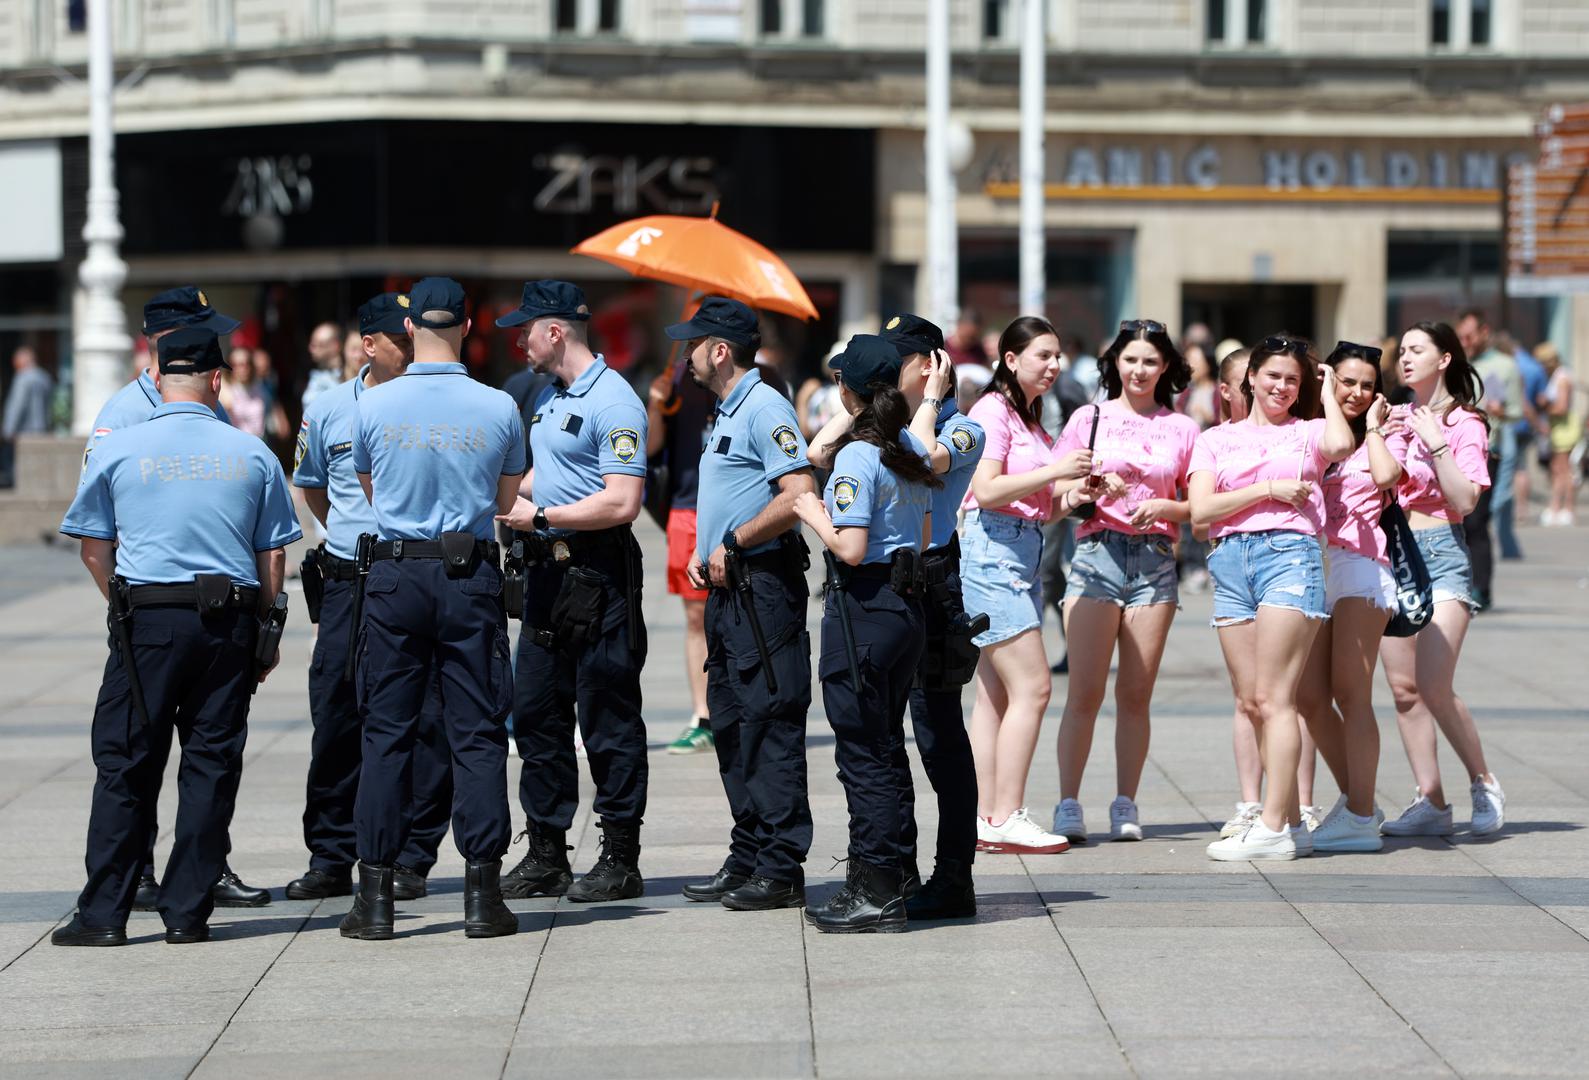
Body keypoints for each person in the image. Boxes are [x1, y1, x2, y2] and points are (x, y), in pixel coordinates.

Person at [53, 327, 301, 946]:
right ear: (218, 380)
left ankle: (104, 915)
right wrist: (264, 637)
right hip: (229, 622)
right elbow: (273, 558)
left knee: (126, 764)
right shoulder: (253, 454)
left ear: (157, 377)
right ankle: (188, 912)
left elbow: (92, 550)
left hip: (149, 620)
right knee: (211, 765)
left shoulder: (119, 449)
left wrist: (125, 610)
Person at [342, 277, 523, 941]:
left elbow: (369, 485)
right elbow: (504, 499)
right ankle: (482, 895)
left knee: (386, 732)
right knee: (475, 732)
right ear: (468, 327)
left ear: (411, 325)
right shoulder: (499, 406)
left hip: (394, 570)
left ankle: (376, 899)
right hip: (467, 572)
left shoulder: (373, 405)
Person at [78, 286, 264, 911]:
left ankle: (200, 872)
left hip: (187, 608)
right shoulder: (125, 414)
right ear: (162, 342)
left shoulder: (213, 415)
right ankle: (148, 877)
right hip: (155, 604)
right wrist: (124, 602)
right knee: (145, 753)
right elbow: (99, 530)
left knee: (199, 752)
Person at [285, 292, 454, 902]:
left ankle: (412, 853)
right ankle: (331, 853)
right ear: (370, 345)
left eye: (416, 341)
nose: (411, 353)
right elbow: (313, 490)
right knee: (336, 709)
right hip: (349, 578)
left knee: (424, 714)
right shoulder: (328, 409)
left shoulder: (437, 402)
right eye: (400, 343)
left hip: (413, 573)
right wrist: (354, 535)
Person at [492, 280, 651, 904]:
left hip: (597, 573)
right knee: (536, 713)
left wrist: (545, 517)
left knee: (607, 715)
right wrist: (499, 496)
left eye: (524, 329)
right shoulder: (552, 398)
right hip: (546, 574)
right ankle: (548, 851)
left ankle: (619, 855)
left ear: (555, 332)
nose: (517, 340)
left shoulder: (615, 401)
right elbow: (544, 474)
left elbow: (623, 499)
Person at [668, 297, 816, 911]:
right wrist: (711, 550)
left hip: (763, 593)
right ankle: (750, 852)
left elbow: (799, 493)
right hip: (730, 594)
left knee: (768, 725)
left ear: (719, 350)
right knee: (730, 724)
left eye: (692, 345)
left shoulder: (764, 407)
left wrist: (735, 540)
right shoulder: (726, 410)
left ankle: (781, 866)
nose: (686, 356)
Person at [1190, 335, 1355, 861]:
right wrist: (1267, 491)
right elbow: (1200, 512)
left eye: (1293, 379)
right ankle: (1275, 817)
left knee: (1276, 698)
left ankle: (1277, 824)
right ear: (1251, 380)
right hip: (1231, 560)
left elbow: (1342, 445)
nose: (1282, 386)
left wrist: (1328, 389)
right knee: (1253, 702)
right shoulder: (1216, 439)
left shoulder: (1309, 433)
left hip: (1290, 556)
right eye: (1273, 376)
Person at [792, 333, 936, 933]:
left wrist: (811, 512)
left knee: (863, 755)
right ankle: (897, 873)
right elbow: (924, 536)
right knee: (885, 747)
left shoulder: (858, 455)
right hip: (906, 608)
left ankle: (874, 885)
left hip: (865, 609)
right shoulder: (906, 446)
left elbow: (849, 548)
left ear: (846, 392)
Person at [1050, 319, 1196, 844]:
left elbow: (1198, 507)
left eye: (1151, 361)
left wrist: (1165, 506)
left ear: (1166, 368)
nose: (1139, 370)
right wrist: (1084, 487)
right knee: (1084, 692)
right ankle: (1068, 802)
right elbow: (1057, 490)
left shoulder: (1183, 428)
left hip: (1156, 558)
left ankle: (1125, 802)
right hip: (1095, 555)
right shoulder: (1087, 418)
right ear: (1114, 362)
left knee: (1136, 693)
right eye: (1131, 359)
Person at [959, 316, 1092, 855]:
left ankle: (985, 816)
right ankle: (1007, 813)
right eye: (1042, 355)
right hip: (992, 557)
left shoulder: (1028, 415)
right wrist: (1055, 470)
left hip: (1019, 554)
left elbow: (1034, 507)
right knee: (1035, 687)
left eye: (1057, 355)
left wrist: (1072, 496)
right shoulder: (993, 409)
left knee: (994, 696)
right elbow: (986, 490)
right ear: (1010, 359)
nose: (1053, 365)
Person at [1379, 321, 1505, 838]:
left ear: (1445, 358)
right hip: (1395, 552)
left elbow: (1466, 499)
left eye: (1417, 350)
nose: (1405, 358)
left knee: (1433, 684)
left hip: (1442, 553)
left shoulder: (1464, 423)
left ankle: (1483, 781)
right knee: (1404, 690)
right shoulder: (1394, 414)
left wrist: (1434, 444)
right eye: (1402, 350)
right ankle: (1430, 798)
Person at [891, 315, 985, 919]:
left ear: (930, 366)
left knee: (938, 733)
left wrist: (927, 403)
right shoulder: (883, 426)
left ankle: (953, 874)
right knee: (876, 731)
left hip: (933, 582)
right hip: (881, 581)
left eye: (895, 358)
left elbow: (925, 460)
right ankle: (890, 865)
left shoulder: (966, 430)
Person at [1295, 342, 1403, 853]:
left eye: (1366, 384)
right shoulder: (1310, 430)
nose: (1358, 392)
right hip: (1310, 566)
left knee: (1351, 693)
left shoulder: (1385, 429)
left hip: (1361, 567)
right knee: (1308, 697)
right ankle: (1356, 800)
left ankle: (1360, 812)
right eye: (1347, 382)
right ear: (1328, 379)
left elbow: (1386, 478)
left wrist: (1376, 427)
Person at [645, 335, 719, 754]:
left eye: (695, 341)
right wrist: (656, 403)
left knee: (736, 614)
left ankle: (736, 711)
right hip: (687, 509)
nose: (687, 350)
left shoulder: (758, 381)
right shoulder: (675, 380)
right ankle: (703, 715)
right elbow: (651, 448)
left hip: (737, 513)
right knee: (696, 618)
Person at [1455, 308, 1520, 599]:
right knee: (1456, 520)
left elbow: (1517, 411)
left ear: (1484, 332)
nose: (1465, 341)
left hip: (1488, 451)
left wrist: (1501, 411)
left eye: (1469, 336)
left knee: (1476, 521)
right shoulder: (1454, 364)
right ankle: (1460, 582)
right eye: (1461, 337)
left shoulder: (1505, 365)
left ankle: (1482, 587)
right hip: (1453, 450)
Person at [1537, 342, 1580, 526]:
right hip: (1560, 427)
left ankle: (1564, 508)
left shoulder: (1562, 377)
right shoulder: (1558, 375)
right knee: (1558, 469)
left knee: (1563, 470)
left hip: (1564, 427)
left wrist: (1544, 405)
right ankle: (1559, 507)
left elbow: (1561, 407)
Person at [2, 345, 54, 486]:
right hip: (42, 428)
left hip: (24, 431)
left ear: (23, 360)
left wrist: (8, 429)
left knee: (16, 467)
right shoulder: (44, 377)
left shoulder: (22, 378)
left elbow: (17, 405)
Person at [301, 321, 345, 413]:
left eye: (317, 345)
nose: (311, 348)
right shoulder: (317, 375)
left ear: (335, 346)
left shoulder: (349, 376)